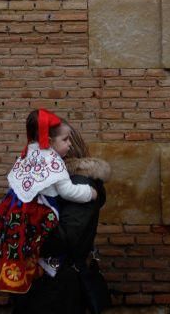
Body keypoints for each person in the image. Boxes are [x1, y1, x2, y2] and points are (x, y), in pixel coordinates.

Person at [0, 109, 98, 294]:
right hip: (39, 211)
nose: (69, 144)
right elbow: (69, 192)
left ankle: (24, 273)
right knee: (42, 240)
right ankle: (42, 267)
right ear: (49, 139)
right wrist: (90, 193)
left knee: (22, 242)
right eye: (65, 139)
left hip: (17, 209)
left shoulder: (30, 152)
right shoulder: (53, 161)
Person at [11, 123, 111, 314]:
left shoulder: (78, 183)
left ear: (69, 146)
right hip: (44, 281)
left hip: (59, 286)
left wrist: (27, 231)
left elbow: (67, 238)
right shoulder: (50, 181)